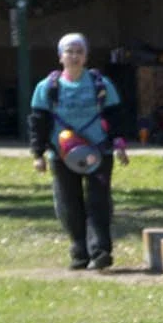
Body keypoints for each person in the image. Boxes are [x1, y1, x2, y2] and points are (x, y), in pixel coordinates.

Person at [28, 33, 126, 270]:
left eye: (78, 52)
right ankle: (79, 252)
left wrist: (120, 146)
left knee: (98, 201)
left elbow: (115, 117)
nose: (74, 56)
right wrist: (38, 154)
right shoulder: (47, 87)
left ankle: (100, 250)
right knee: (69, 202)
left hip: (99, 152)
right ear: (60, 56)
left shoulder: (101, 85)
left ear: (86, 56)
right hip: (62, 154)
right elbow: (38, 121)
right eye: (69, 51)